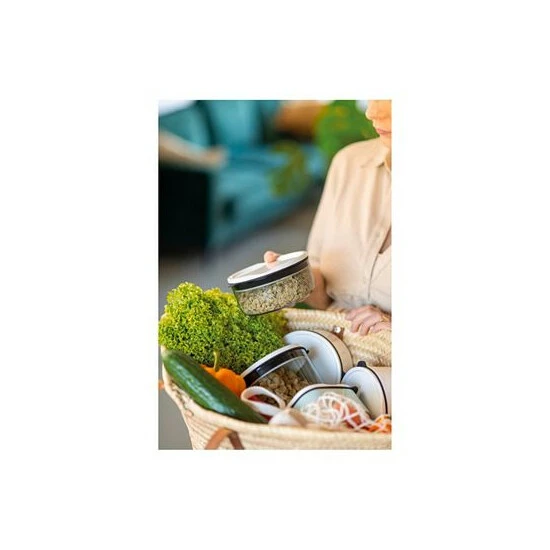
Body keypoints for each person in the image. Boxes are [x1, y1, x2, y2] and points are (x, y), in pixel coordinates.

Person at [265, 99, 392, 336]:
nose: (372, 112)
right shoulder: (348, 163)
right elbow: (323, 295)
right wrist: (294, 279)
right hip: (329, 351)